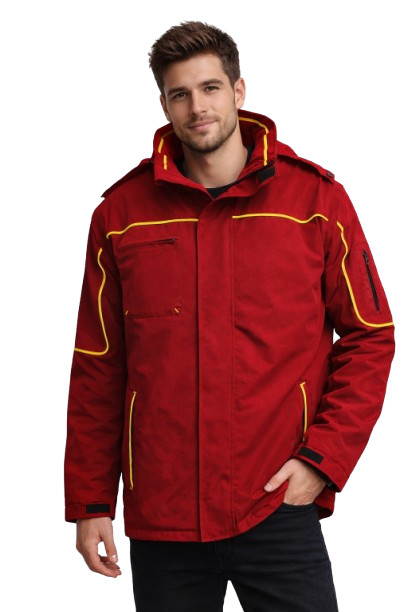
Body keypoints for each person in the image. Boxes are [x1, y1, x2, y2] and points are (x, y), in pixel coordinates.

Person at [64, 20, 395, 612]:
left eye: (211, 88)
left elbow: (370, 337)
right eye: (180, 94)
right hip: (163, 515)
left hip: (277, 502)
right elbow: (98, 365)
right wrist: (91, 503)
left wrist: (322, 460)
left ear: (239, 91)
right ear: (163, 104)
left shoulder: (316, 202)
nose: (198, 107)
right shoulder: (122, 214)